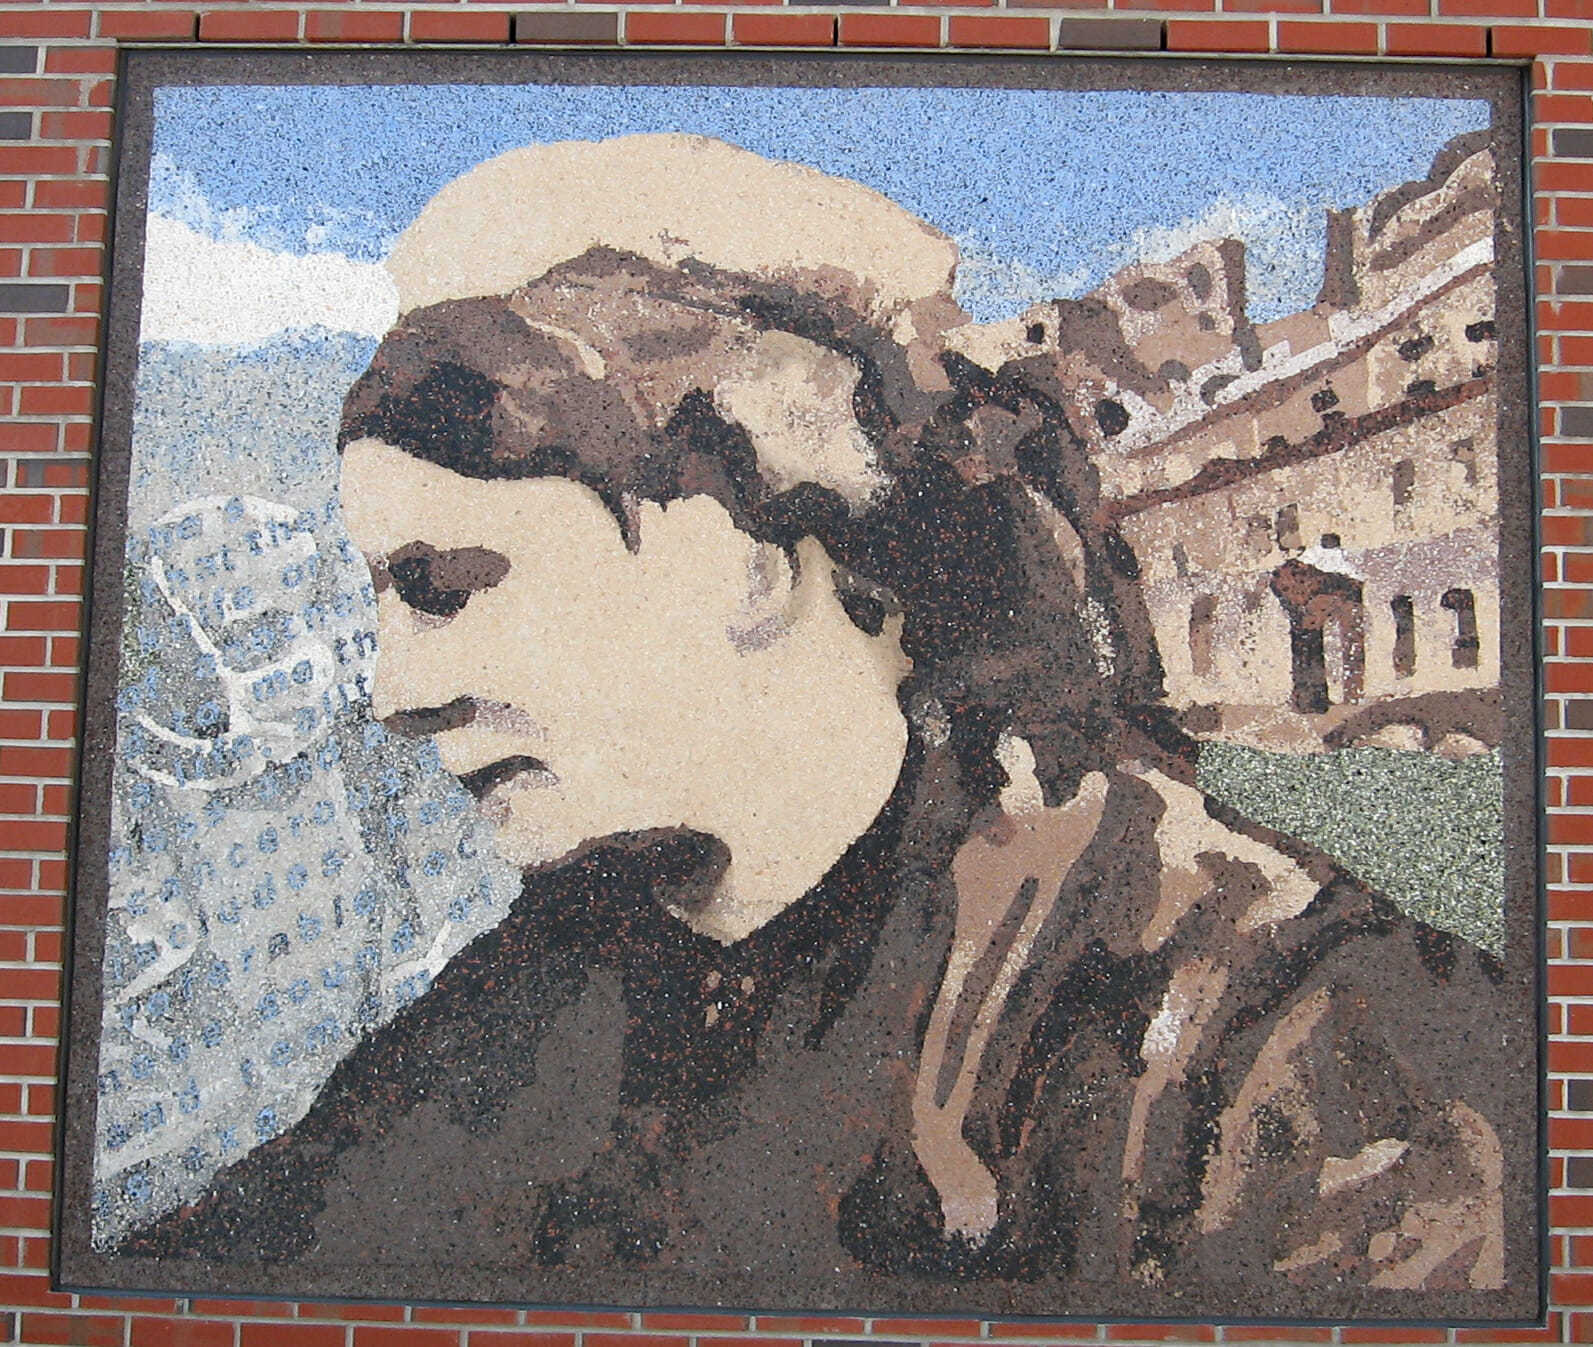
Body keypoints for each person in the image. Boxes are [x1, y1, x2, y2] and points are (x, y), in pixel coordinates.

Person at [122, 135, 1524, 1318]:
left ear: (748, 554)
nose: (393, 692)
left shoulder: (1274, 1025)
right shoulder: (532, 1009)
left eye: (444, 587)